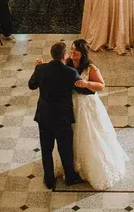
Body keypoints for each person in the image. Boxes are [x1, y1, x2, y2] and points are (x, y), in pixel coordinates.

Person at [62, 39, 127, 189]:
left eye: (75, 52)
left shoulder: (90, 67)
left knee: (89, 134)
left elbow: (101, 86)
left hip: (86, 105)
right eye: (71, 50)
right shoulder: (67, 62)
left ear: (82, 53)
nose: (72, 53)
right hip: (71, 103)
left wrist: (86, 84)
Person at [29, 41, 83, 188]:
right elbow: (82, 88)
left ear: (51, 55)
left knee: (46, 149)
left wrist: (36, 68)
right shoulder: (70, 72)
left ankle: (49, 179)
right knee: (65, 148)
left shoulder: (41, 69)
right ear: (64, 55)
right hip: (62, 116)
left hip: (44, 115)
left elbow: (31, 85)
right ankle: (70, 177)